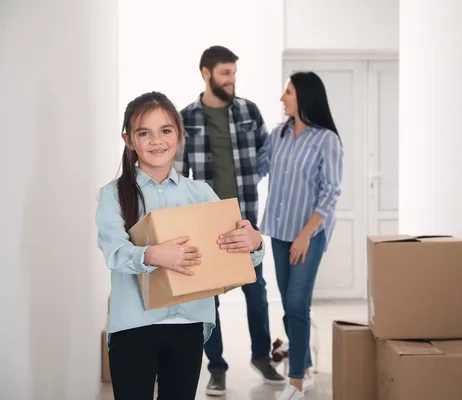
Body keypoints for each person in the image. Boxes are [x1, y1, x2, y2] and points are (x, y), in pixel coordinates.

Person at [96, 91, 265, 400]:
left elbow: (234, 259)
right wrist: (154, 254)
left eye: (166, 130)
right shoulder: (113, 195)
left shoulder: (200, 194)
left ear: (179, 134)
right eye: (144, 132)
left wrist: (253, 243)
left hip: (189, 324)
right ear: (129, 140)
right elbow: (114, 252)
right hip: (134, 326)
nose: (156, 140)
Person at [177, 45, 285, 396]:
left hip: (245, 221)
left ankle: (261, 357)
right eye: (225, 73)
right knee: (210, 299)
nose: (232, 80)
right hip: (207, 224)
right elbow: (179, 174)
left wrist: (252, 181)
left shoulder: (248, 112)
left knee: (257, 292)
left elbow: (266, 155)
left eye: (234, 72)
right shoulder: (186, 118)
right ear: (206, 74)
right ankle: (217, 368)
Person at [257, 71, 344, 400]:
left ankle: (295, 381)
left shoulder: (327, 140)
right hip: (279, 232)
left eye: (288, 92)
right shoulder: (278, 135)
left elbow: (330, 193)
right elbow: (259, 168)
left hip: (309, 234)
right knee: (291, 305)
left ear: (305, 97)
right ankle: (305, 366)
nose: (282, 98)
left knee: (296, 303)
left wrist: (306, 235)